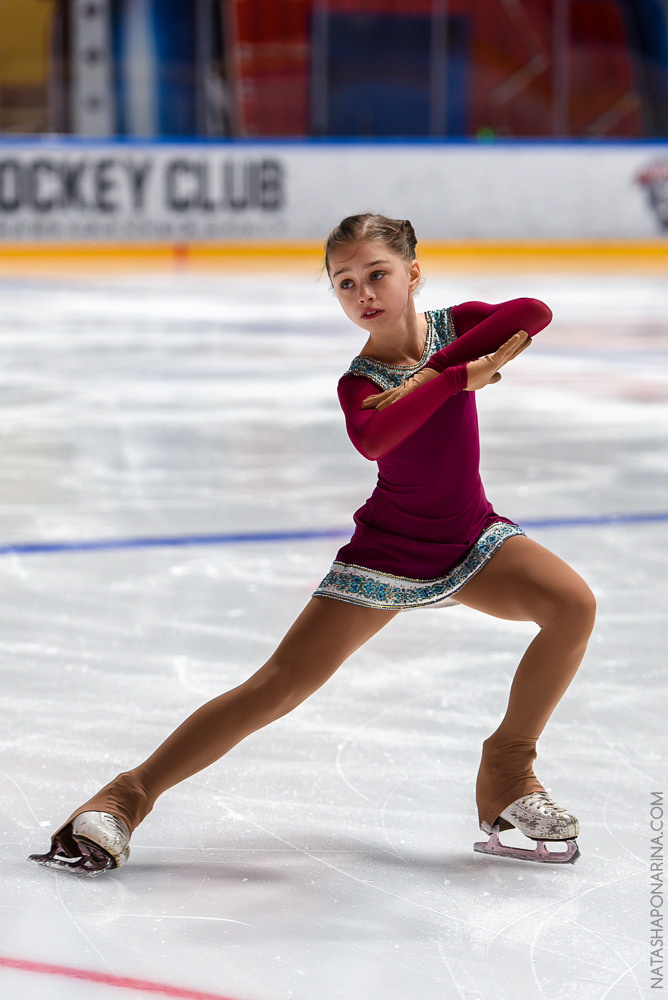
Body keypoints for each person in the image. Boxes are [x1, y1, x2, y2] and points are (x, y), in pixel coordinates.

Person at [30, 213, 596, 875]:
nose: (364, 294)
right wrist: (448, 382)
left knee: (573, 606)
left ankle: (507, 770)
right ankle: (126, 797)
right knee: (277, 686)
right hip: (388, 554)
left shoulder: (457, 327)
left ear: (413, 273)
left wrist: (436, 370)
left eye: (377, 274)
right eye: (345, 283)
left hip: (471, 538)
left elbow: (533, 311)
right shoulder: (360, 383)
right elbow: (374, 439)